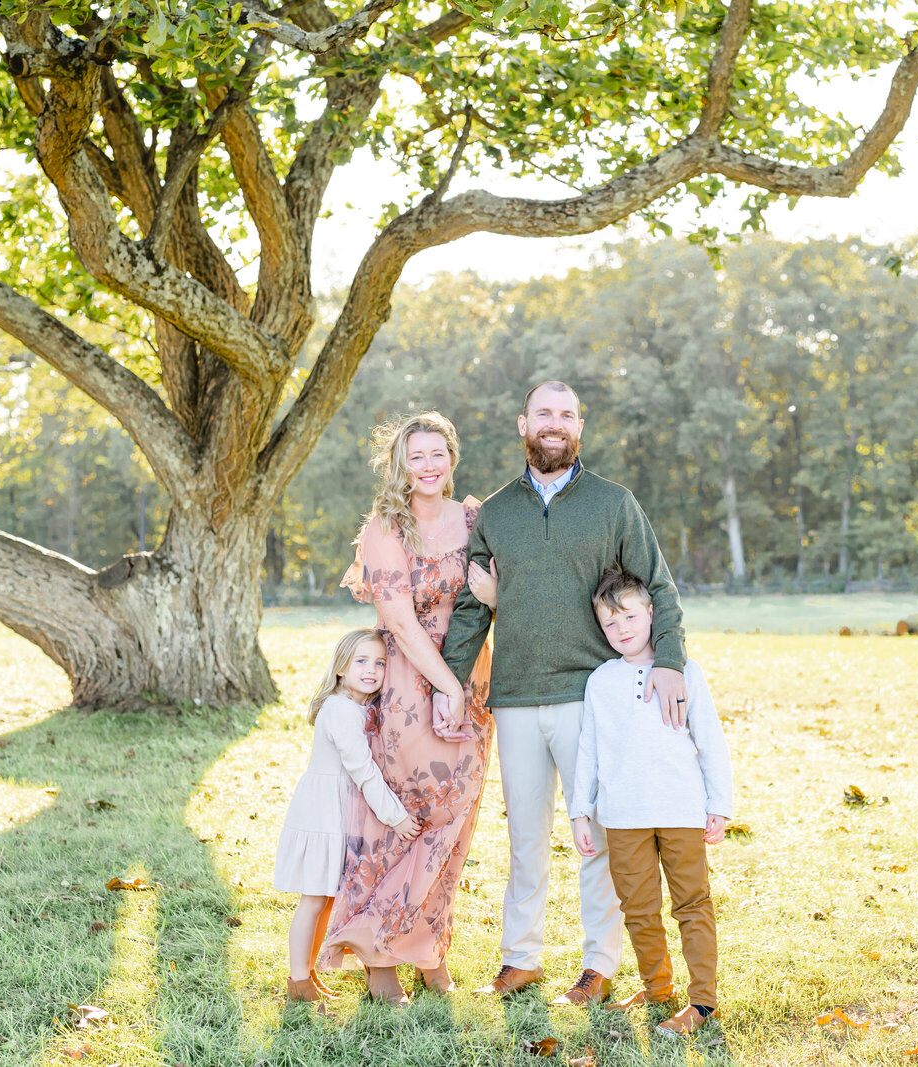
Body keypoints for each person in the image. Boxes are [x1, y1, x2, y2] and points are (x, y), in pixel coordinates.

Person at [440, 380, 690, 1007]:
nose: (555, 423)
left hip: (593, 697)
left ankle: (597, 966)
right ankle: (521, 960)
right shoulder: (495, 513)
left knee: (596, 837)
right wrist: (445, 681)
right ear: (522, 422)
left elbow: (657, 587)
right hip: (517, 697)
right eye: (544, 413)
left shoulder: (614, 505)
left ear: (581, 426)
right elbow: (471, 610)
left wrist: (672, 664)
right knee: (525, 837)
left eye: (567, 415)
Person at [320, 412, 495, 1006]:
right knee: (408, 814)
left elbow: (495, 590)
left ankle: (427, 946)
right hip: (409, 683)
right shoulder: (384, 528)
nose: (428, 466)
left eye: (437, 453)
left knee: (457, 816)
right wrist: (446, 685)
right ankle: (379, 955)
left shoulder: (473, 519)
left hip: (473, 676)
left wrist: (468, 671)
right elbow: (397, 618)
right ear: (401, 464)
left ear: (452, 457)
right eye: (416, 456)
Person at [570, 565, 731, 1036]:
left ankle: (701, 1003)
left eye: (629, 618)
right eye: (610, 623)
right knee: (638, 908)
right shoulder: (601, 681)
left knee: (691, 904)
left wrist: (718, 804)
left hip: (681, 809)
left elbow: (712, 741)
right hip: (623, 816)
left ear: (651, 613)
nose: (621, 630)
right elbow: (589, 750)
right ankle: (657, 989)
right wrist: (581, 810)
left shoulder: (683, 672)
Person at [272, 628, 423, 1003]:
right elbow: (363, 769)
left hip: (337, 812)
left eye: (380, 663)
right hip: (323, 813)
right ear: (341, 667)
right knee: (313, 899)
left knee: (325, 899)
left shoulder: (356, 706)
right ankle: (297, 980)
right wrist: (396, 817)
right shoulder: (340, 710)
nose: (371, 670)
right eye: (361, 661)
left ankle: (306, 976)